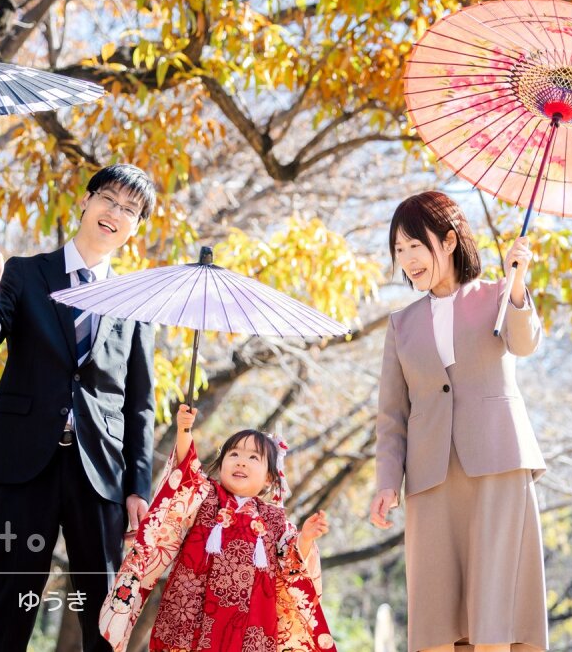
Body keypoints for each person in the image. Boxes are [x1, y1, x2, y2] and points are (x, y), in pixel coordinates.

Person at [0, 164, 157, 652]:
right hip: (25, 462)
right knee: (10, 603)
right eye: (108, 199)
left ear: (135, 227)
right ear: (86, 202)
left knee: (105, 611)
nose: (115, 213)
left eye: (129, 210)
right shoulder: (25, 273)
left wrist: (138, 486)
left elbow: (140, 404)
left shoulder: (136, 302)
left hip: (101, 473)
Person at [369, 191, 548, 652]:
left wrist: (519, 282)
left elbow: (525, 344)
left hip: (498, 466)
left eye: (415, 245)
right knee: (436, 615)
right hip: (431, 477)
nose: (407, 259)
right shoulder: (400, 324)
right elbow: (392, 413)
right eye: (399, 249)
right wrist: (387, 480)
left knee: (494, 612)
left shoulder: (497, 294)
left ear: (448, 241)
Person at [99, 404, 337, 652]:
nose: (241, 462)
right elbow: (186, 470)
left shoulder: (275, 520)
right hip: (191, 609)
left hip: (250, 622)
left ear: (269, 478)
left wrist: (306, 537)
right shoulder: (205, 495)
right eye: (233, 454)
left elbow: (291, 561)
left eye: (253, 458)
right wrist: (184, 431)